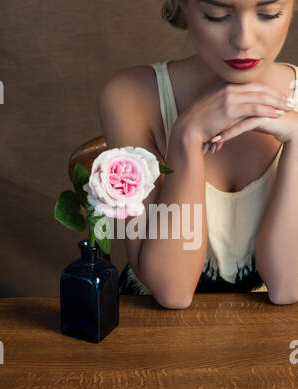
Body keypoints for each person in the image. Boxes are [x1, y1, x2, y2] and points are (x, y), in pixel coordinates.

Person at [99, 0, 298, 308]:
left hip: (268, 338)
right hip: (150, 336)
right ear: (184, 6)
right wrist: (186, 136)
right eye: (217, 15)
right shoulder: (129, 96)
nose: (243, 39)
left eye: (268, 13)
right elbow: (172, 291)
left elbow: (288, 287)